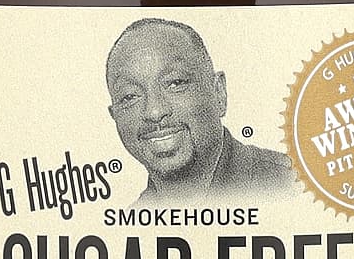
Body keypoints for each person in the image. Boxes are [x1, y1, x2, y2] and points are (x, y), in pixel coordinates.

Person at [105, 18, 296, 200]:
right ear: (115, 116)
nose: (154, 112)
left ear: (219, 92)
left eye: (175, 83)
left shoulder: (294, 185)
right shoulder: (133, 216)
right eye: (129, 96)